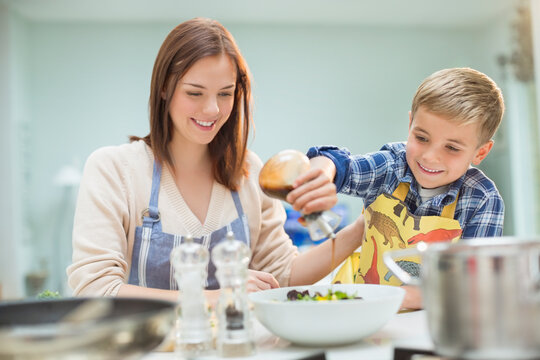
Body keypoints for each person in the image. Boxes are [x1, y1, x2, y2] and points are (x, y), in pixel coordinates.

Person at [67, 17, 364, 305]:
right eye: (194, 93)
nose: (211, 109)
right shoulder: (114, 170)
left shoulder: (249, 174)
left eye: (225, 93)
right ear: (163, 89)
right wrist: (217, 297)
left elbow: (283, 275)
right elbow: (96, 289)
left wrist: (365, 226)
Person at [288, 67, 505, 309]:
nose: (430, 157)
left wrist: (401, 298)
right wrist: (322, 174)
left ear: (481, 152)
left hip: (433, 324)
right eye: (422, 138)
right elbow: (339, 163)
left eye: (452, 148)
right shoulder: (392, 167)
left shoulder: (482, 198)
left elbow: (473, 282)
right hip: (359, 312)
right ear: (411, 123)